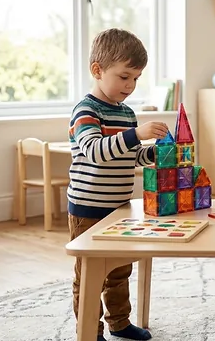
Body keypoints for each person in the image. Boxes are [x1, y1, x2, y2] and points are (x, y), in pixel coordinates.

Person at [68, 28, 169, 341]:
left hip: (119, 207)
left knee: (120, 269)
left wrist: (155, 153)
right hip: (88, 209)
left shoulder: (126, 113)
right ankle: (90, 329)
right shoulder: (86, 111)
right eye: (124, 76)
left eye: (136, 78)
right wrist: (136, 135)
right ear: (97, 71)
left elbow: (129, 156)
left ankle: (119, 323)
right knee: (90, 276)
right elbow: (97, 152)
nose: (130, 85)